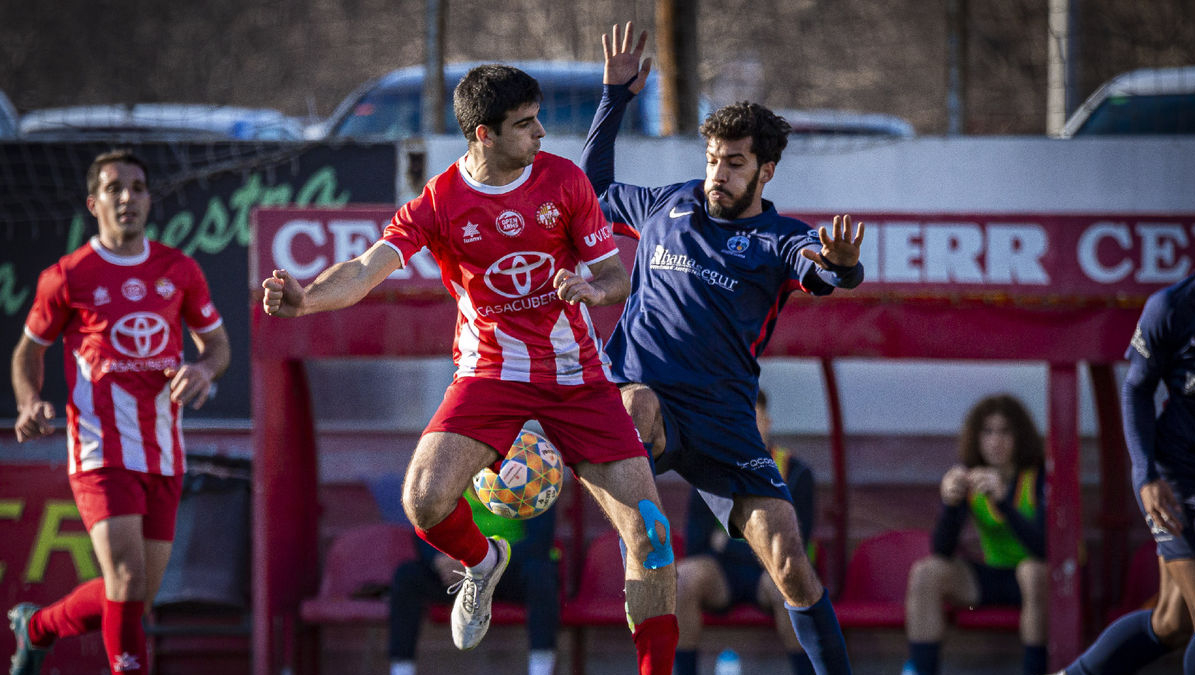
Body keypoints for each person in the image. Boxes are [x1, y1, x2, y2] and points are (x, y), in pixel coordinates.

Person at [261, 63, 678, 674]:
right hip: (490, 375)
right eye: (525, 124)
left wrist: (591, 290)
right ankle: (482, 563)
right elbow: (365, 269)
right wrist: (305, 300)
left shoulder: (564, 182)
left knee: (652, 536)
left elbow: (617, 273)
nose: (540, 135)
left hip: (577, 379)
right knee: (424, 502)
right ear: (482, 134)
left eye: (539, 119)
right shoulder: (439, 202)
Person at [581, 22, 862, 675]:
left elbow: (821, 272)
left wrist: (844, 267)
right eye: (713, 158)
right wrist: (613, 98)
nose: (719, 173)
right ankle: (642, 542)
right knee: (639, 404)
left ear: (764, 169)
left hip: (725, 422)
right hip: (645, 399)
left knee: (791, 566)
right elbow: (592, 189)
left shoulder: (778, 238)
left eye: (735, 163)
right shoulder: (667, 204)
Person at [7, 149, 231, 675]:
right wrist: (28, 400)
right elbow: (27, 352)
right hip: (98, 449)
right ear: (94, 202)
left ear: (149, 198)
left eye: (136, 187)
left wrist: (203, 371)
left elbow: (218, 347)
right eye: (114, 188)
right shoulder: (68, 276)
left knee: (133, 596)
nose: (127, 197)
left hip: (162, 452)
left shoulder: (179, 269)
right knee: (127, 582)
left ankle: (36, 628)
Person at [1054, 271, 1195, 675]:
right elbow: (1136, 389)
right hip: (1175, 479)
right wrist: (1146, 475)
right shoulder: (1170, 308)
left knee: (1172, 621)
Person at [902, 394, 1047, 675]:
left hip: (1039, 583)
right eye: (988, 431)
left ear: (1021, 436)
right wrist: (950, 504)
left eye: (1005, 431)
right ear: (976, 437)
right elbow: (942, 550)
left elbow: (1043, 548)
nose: (996, 440)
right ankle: (921, 669)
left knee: (1032, 572)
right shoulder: (970, 478)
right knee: (926, 572)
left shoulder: (1040, 476)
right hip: (993, 577)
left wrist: (1004, 502)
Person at [675, 389, 817, 675]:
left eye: (754, 420)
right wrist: (758, 543)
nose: (746, 429)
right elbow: (695, 544)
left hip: (771, 575)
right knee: (682, 578)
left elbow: (793, 550)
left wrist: (726, 544)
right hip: (721, 575)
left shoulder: (796, 473)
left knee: (790, 583)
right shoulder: (708, 470)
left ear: (768, 423)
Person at [388, 487, 559, 675]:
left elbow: (539, 542)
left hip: (509, 573)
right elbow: (425, 527)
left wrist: (478, 560)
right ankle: (401, 670)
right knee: (407, 576)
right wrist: (439, 559)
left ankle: (541, 670)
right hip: (460, 577)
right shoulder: (448, 479)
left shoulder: (531, 477)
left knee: (541, 573)